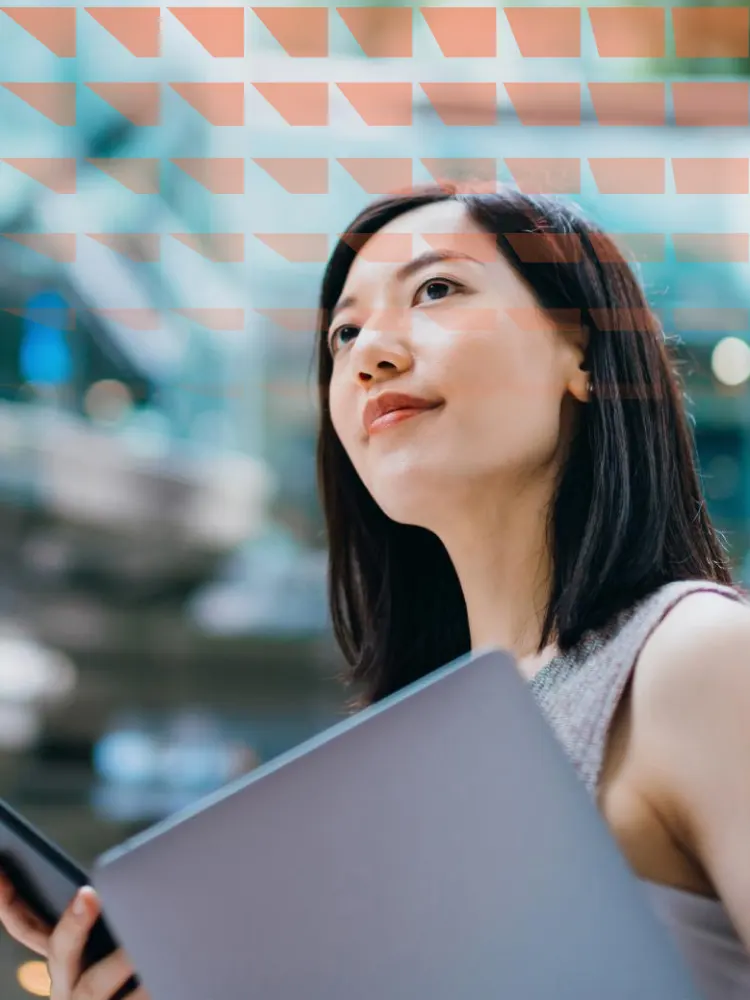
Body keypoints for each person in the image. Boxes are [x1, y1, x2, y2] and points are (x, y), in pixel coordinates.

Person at [1, 182, 749, 999]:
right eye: (344, 333)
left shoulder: (694, 659)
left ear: (583, 353)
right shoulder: (402, 769)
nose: (368, 353)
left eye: (437, 289)